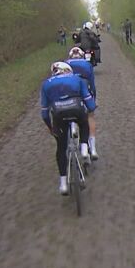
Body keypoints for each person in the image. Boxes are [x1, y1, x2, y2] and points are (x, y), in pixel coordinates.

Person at [40, 61, 96, 195]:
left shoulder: (46, 84)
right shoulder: (77, 79)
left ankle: (63, 183)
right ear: (68, 70)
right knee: (84, 123)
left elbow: (44, 113)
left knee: (61, 148)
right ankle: (84, 148)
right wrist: (91, 109)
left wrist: (50, 127)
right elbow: (90, 104)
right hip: (77, 110)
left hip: (58, 115)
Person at [67, 47, 100, 160]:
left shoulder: (66, 64)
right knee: (90, 116)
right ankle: (93, 148)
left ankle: (72, 126)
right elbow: (92, 83)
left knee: (70, 108)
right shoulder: (87, 64)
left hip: (71, 93)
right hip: (86, 90)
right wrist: (93, 97)